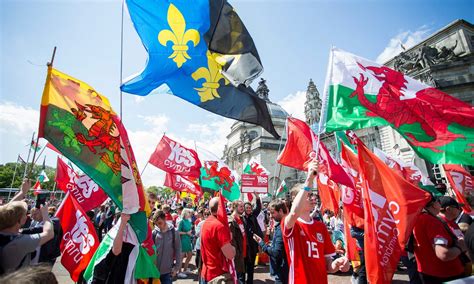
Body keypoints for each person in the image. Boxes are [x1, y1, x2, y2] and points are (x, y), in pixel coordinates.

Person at [282, 162, 350, 284]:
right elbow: (293, 213)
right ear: (295, 199)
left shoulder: (320, 226)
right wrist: (309, 180)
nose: (312, 198)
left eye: (312, 195)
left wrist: (337, 264)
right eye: (308, 195)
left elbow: (328, 264)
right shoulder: (290, 223)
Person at [0, 179, 54, 274]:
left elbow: (6, 211)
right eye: (25, 214)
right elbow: (49, 233)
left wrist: (23, 192)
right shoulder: (19, 242)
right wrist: (45, 214)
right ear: (19, 221)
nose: (28, 216)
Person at [412, 196, 466, 283]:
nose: (440, 204)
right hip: (445, 274)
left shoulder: (417, 218)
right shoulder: (431, 221)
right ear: (434, 205)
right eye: (438, 202)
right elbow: (443, 254)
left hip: (429, 272)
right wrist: (461, 246)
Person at [200, 197, 236, 284]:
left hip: (206, 272)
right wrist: (232, 245)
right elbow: (230, 254)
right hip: (217, 276)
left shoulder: (205, 223)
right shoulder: (219, 226)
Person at [253, 199, 288, 284]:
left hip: (282, 270)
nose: (271, 216)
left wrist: (262, 243)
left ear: (280, 211)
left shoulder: (281, 228)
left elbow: (276, 253)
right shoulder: (284, 225)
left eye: (272, 213)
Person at [152, 210, 182, 284]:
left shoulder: (174, 232)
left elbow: (178, 250)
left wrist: (176, 268)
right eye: (156, 224)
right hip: (154, 271)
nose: (158, 226)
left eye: (160, 223)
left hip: (168, 272)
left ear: (165, 219)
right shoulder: (154, 233)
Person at [242, 195, 263, 284]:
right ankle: (242, 281)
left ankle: (250, 282)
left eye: (250, 208)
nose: (249, 209)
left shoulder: (253, 216)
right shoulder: (240, 218)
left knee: (251, 267)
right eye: (247, 208)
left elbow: (258, 208)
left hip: (252, 246)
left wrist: (257, 197)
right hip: (244, 246)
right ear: (244, 209)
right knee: (243, 267)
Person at [229, 200, 246, 283]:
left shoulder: (241, 218)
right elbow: (232, 241)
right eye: (241, 206)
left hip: (243, 253)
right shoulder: (231, 221)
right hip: (237, 256)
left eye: (243, 206)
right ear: (235, 207)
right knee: (237, 278)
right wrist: (238, 254)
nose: (243, 208)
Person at [177, 208, 193, 278]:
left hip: (188, 240)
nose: (190, 213)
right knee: (181, 257)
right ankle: (179, 272)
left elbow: (190, 231)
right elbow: (178, 232)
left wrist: (190, 233)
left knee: (190, 255)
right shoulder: (181, 221)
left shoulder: (188, 221)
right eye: (188, 212)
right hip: (183, 240)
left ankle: (185, 269)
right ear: (185, 213)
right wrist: (186, 233)